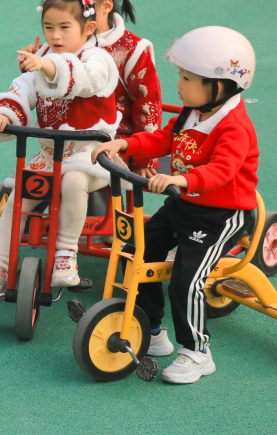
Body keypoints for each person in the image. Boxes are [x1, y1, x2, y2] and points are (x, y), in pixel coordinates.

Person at [91, 27, 259, 382]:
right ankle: (152, 331)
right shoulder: (192, 112)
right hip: (184, 205)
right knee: (136, 250)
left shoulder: (234, 127)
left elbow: (223, 170)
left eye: (186, 78)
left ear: (219, 86)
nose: (179, 85)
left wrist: (181, 180)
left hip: (221, 214)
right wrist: (124, 145)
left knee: (186, 279)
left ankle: (197, 352)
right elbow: (164, 139)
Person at [0, 0, 120, 313]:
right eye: (48, 27)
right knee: (19, 196)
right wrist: (6, 112)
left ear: (88, 28)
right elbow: (23, 86)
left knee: (73, 181)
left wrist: (47, 65)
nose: (55, 35)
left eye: (64, 27)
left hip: (91, 155)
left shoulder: (98, 59)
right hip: (51, 155)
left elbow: (84, 79)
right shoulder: (44, 59)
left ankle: (66, 253)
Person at [19, 0, 163, 177]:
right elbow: (41, 82)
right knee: (31, 183)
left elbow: (148, 104)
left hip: (113, 143)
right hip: (64, 140)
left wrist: (144, 157)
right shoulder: (62, 41)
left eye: (85, 3)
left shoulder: (133, 49)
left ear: (106, 5)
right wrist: (33, 63)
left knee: (77, 181)